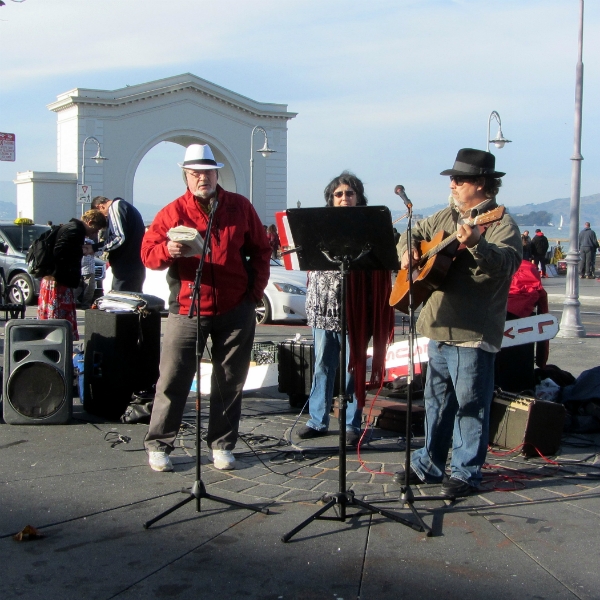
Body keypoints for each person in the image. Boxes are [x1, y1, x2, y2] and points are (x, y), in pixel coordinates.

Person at [395, 148, 521, 497]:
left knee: (471, 406)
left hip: (471, 331)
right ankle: (428, 465)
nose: (452, 183)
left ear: (481, 183)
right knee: (436, 402)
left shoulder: (501, 223)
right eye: (452, 178)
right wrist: (407, 251)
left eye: (459, 178)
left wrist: (478, 243)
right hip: (437, 326)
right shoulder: (443, 217)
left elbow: (508, 265)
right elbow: (410, 234)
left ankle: (466, 473)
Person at [141, 144, 271, 472]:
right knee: (173, 377)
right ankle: (159, 444)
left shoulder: (239, 207)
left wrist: (252, 294)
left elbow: (261, 250)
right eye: (195, 172)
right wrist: (167, 250)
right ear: (185, 176)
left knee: (230, 379)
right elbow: (147, 254)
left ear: (217, 173)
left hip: (235, 308)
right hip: (187, 307)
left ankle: (222, 445)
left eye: (208, 172)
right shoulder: (172, 212)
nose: (203, 178)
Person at [297, 171, 395, 447]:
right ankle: (317, 420)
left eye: (349, 193)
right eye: (338, 194)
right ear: (331, 198)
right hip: (322, 306)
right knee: (321, 366)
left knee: (354, 368)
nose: (344, 198)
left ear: (359, 197)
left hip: (356, 309)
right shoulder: (317, 224)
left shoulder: (370, 226)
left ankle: (353, 423)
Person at [37, 210, 107, 340]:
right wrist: (80, 251)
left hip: (54, 278)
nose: (94, 233)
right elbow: (60, 251)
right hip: (59, 280)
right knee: (58, 321)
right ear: (90, 222)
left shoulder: (69, 227)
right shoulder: (75, 230)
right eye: (95, 229)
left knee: (53, 318)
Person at [90, 195, 146, 292]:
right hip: (135, 263)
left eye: (102, 215)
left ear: (100, 207)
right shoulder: (127, 207)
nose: (106, 218)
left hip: (125, 265)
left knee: (120, 299)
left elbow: (118, 237)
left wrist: (95, 247)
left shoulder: (116, 207)